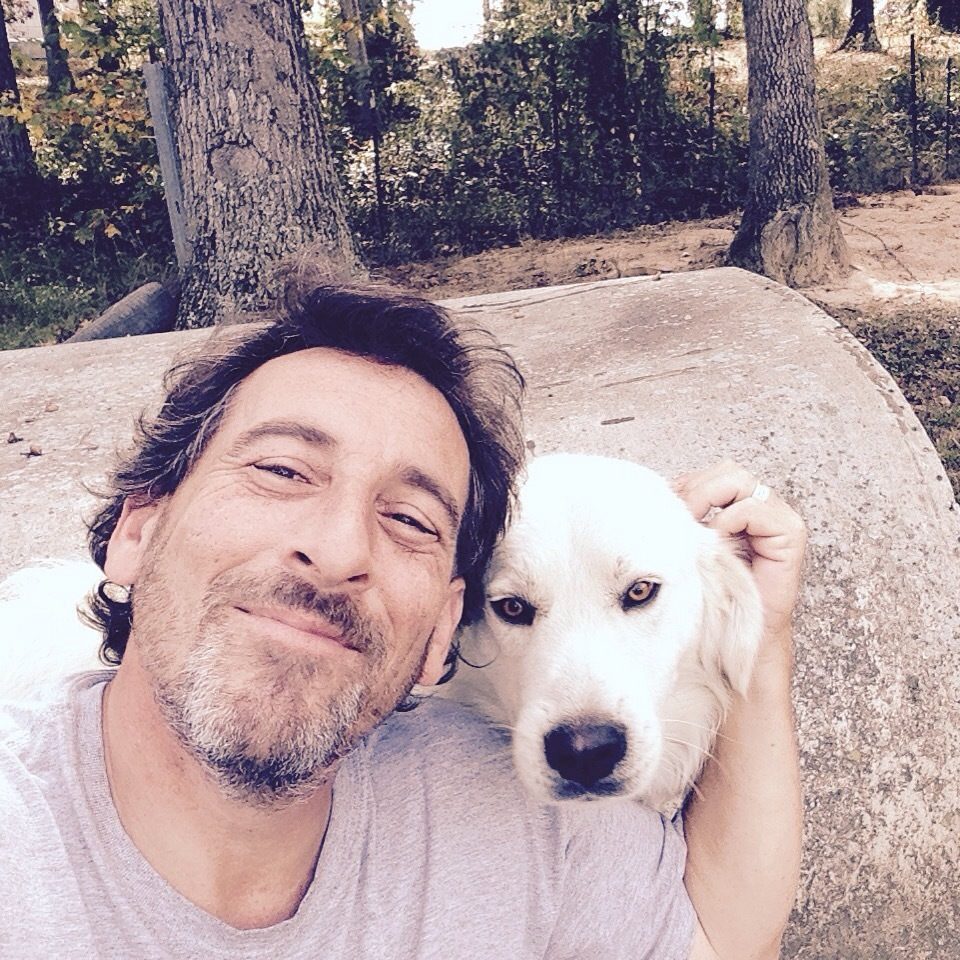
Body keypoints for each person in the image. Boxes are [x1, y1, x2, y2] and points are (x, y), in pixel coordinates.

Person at [0, 272, 805, 959]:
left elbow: (721, 941)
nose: (338, 549)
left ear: (442, 627)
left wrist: (762, 635)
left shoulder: (506, 810)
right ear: (138, 530)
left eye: (409, 518)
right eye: (283, 470)